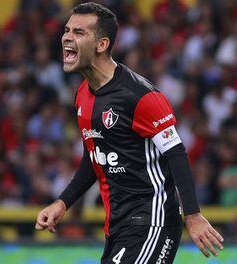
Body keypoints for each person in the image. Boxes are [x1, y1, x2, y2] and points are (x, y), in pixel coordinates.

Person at [35, 3, 224, 263]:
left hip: (152, 221)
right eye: (67, 30)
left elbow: (176, 153)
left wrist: (192, 215)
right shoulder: (82, 95)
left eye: (79, 32)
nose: (67, 37)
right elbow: (95, 156)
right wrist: (63, 202)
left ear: (102, 44)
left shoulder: (141, 96)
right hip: (118, 225)